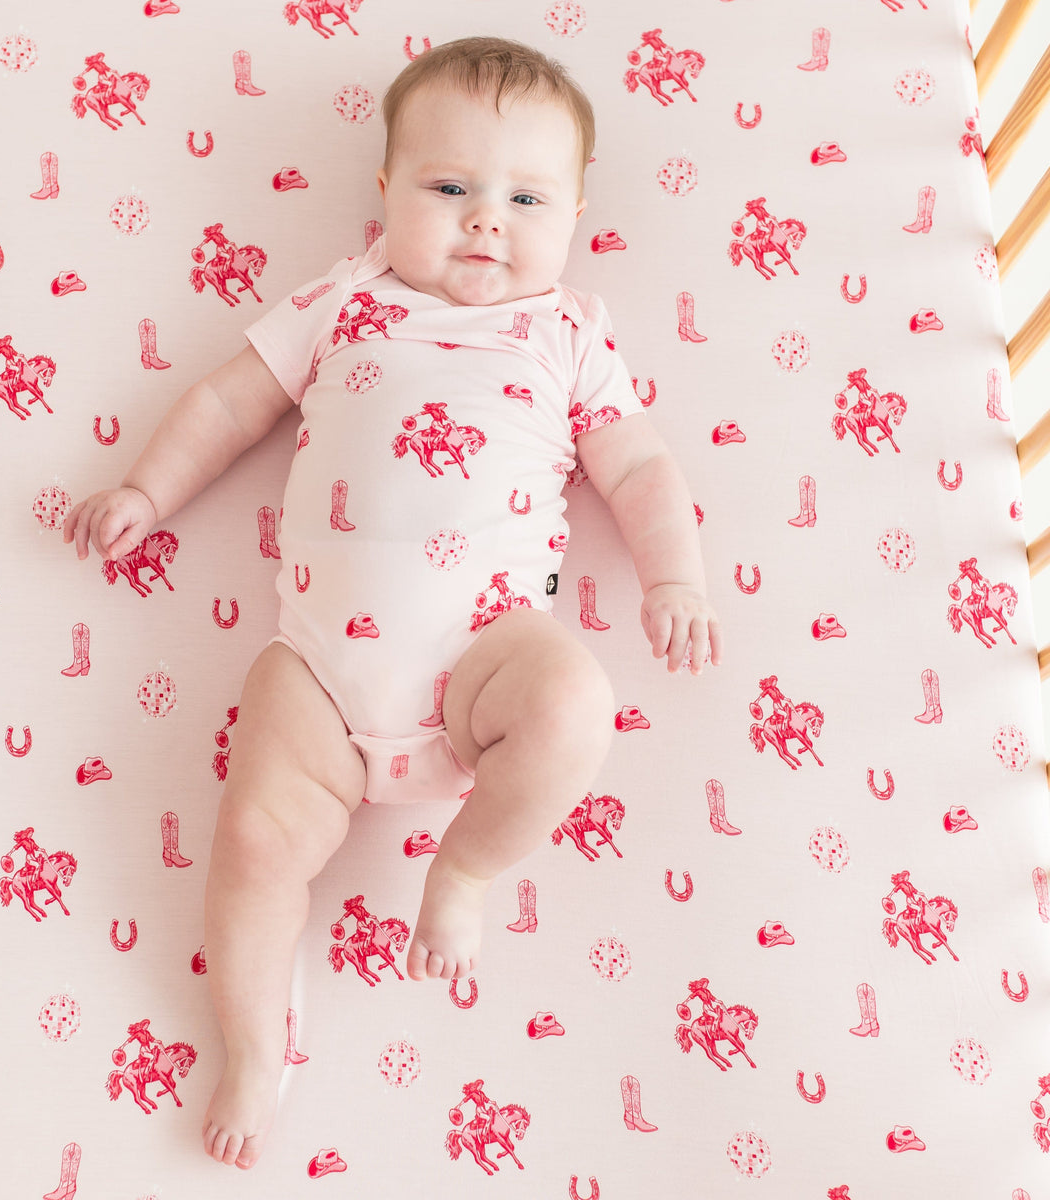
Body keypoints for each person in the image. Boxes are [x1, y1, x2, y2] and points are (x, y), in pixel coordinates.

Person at [62, 35, 721, 1172]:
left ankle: (461, 869)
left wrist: (676, 579)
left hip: (484, 661)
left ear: (575, 215)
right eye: (450, 187)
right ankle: (252, 1048)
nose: (486, 221)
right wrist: (146, 491)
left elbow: (641, 468)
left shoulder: (569, 332)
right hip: (322, 673)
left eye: (526, 199)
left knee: (575, 704)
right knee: (255, 840)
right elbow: (228, 404)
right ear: (385, 192)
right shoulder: (345, 299)